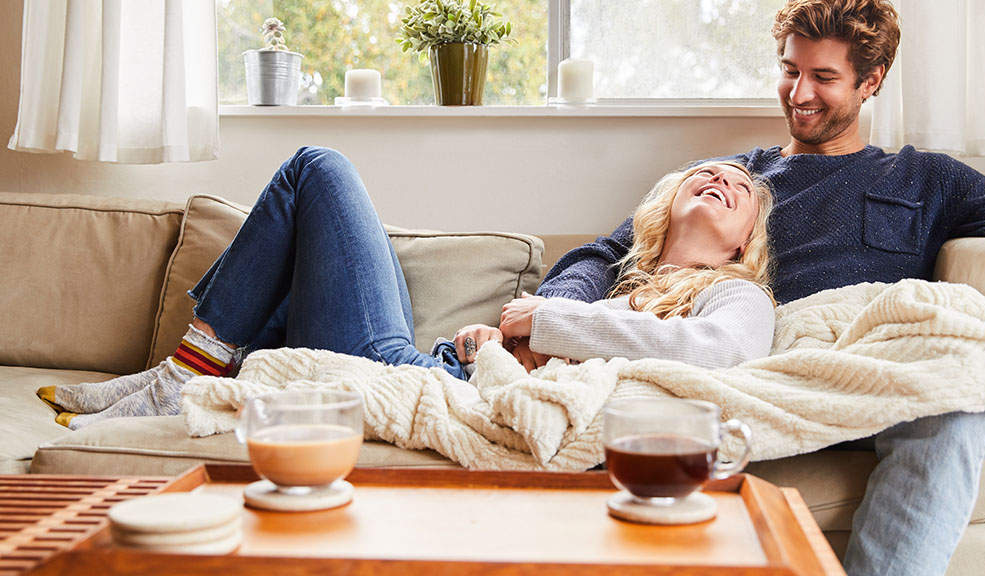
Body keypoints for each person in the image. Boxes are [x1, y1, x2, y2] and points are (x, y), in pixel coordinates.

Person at [533, 0, 985, 576]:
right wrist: (557, 321)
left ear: (871, 80)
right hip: (763, 377)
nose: (799, 94)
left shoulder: (924, 179)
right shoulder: (735, 182)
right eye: (789, 71)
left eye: (823, 78)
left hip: (868, 370)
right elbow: (605, 254)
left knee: (960, 398)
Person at [39, 149, 777, 431]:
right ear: (669, 199)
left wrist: (545, 324)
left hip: (415, 379)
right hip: (444, 363)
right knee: (306, 211)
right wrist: (494, 339)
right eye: (705, 174)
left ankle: (185, 375)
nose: (719, 179)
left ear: (744, 240)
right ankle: (188, 372)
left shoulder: (733, 297)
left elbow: (717, 353)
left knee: (316, 171)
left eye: (739, 188)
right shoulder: (624, 282)